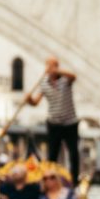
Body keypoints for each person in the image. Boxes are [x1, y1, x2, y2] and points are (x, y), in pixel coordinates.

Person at [25, 57, 80, 185]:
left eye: (53, 66)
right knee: (52, 155)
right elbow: (35, 102)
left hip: (70, 122)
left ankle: (74, 181)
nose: (50, 68)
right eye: (48, 66)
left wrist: (58, 71)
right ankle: (50, 181)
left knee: (73, 153)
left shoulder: (66, 80)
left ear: (57, 67)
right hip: (53, 123)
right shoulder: (44, 82)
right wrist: (29, 100)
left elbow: (74, 77)